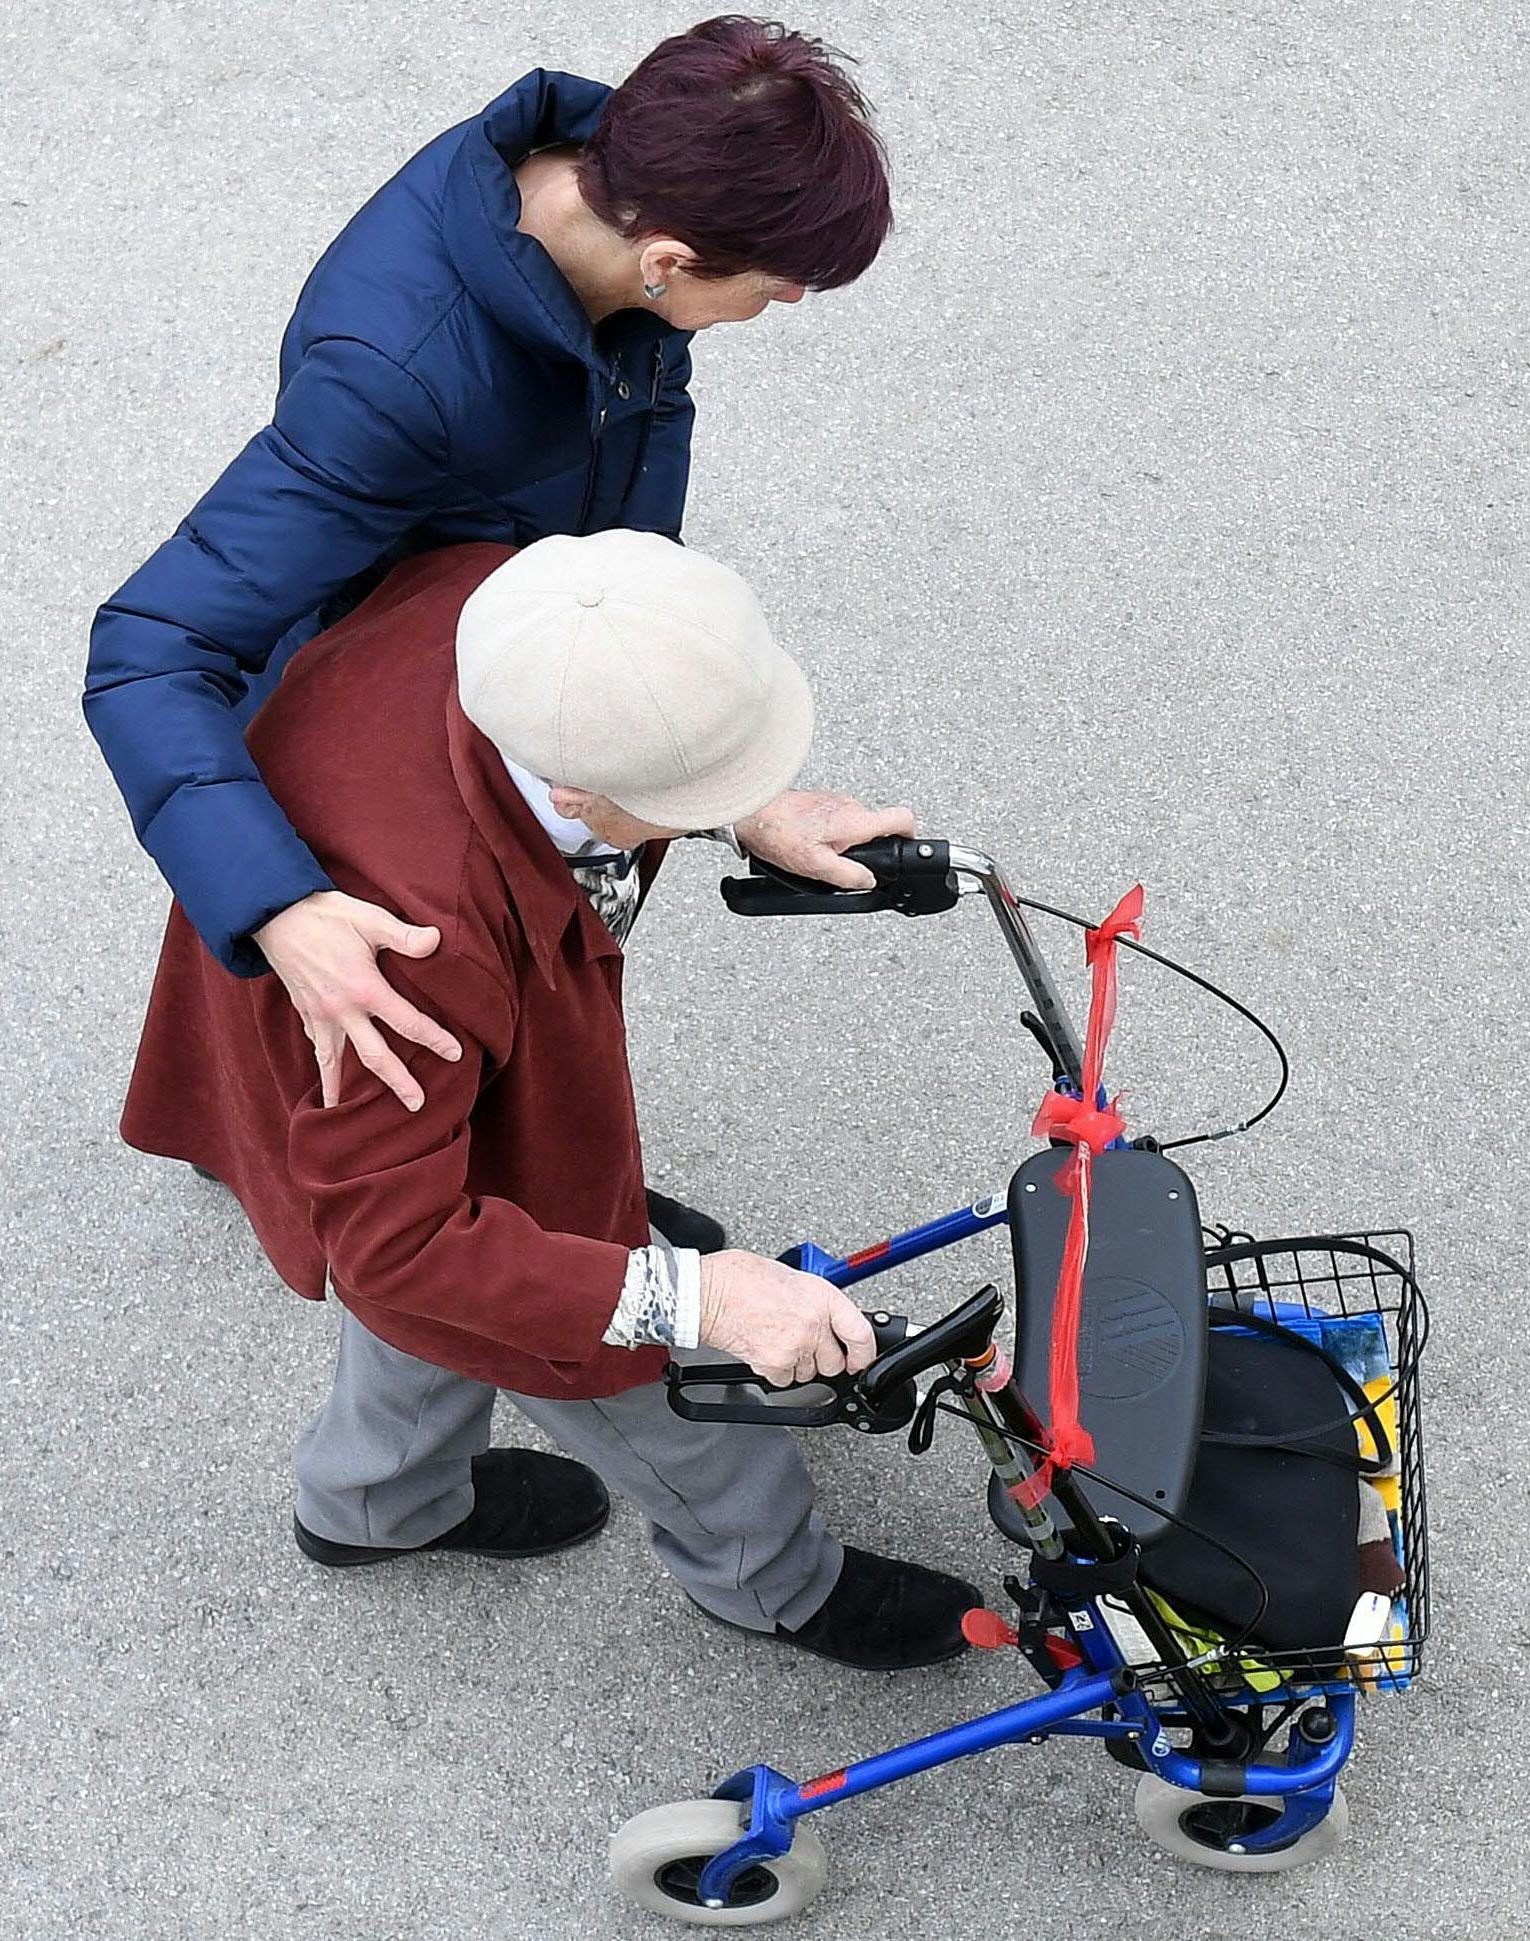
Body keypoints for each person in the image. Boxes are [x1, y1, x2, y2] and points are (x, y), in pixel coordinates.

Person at [84, 19, 905, 1224]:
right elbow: (147, 651)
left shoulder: (596, 191)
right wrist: (280, 906)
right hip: (408, 691)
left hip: (528, 647)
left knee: (517, 955)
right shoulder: (398, 380)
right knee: (421, 975)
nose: (782, 301)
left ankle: (500, 1189)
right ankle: (505, 1243)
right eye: (773, 287)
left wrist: (718, 776)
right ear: (667, 259)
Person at [119, 530, 981, 1671]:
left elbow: (385, 1213)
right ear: (577, 785)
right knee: (647, 1382)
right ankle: (775, 1586)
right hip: (391, 1072)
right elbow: (399, 1243)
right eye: (690, 796)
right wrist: (693, 1300)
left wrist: (743, 802)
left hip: (363, 1090)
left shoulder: (510, 608)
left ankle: (376, 1504)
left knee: (436, 1279)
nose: (713, 809)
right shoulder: (421, 943)